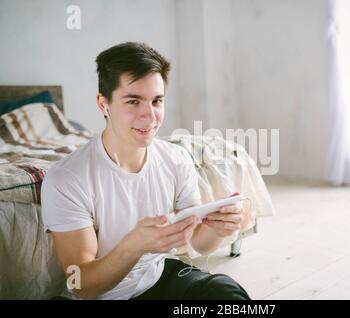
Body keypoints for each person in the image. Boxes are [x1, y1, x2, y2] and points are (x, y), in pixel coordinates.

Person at [41, 42, 250, 300]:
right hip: (104, 296)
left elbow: (197, 241)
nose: (150, 117)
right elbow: (81, 284)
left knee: (226, 293)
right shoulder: (67, 178)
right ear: (103, 104)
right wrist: (134, 245)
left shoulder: (175, 158)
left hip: (159, 275)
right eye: (133, 101)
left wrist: (219, 229)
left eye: (157, 101)